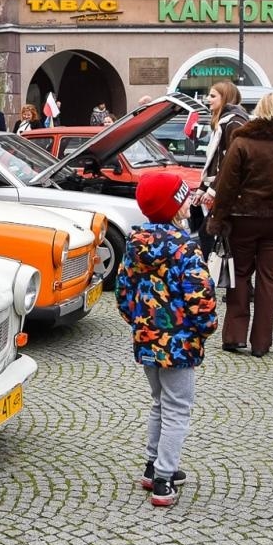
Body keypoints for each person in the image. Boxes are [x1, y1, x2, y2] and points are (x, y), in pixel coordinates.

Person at [116, 170, 218, 508]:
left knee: (160, 402)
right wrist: (205, 327)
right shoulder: (186, 248)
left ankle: (152, 465)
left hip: (147, 339)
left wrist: (139, 323)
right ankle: (164, 478)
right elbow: (200, 296)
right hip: (180, 343)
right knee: (178, 408)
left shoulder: (135, 243)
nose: (189, 201)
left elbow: (123, 291)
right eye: (184, 197)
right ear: (176, 207)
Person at [205, 92, 273, 358]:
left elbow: (227, 185)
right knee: (270, 279)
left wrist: (218, 219)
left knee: (240, 274)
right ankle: (262, 342)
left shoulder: (242, 142)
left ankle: (234, 336)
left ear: (259, 111)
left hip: (244, 217)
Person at [190, 80, 250, 234]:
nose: (207, 99)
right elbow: (216, 162)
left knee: (208, 235)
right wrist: (202, 189)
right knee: (208, 235)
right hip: (224, 191)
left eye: (212, 96)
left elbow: (231, 163)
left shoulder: (234, 122)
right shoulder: (226, 122)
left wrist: (212, 191)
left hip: (230, 193)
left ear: (225, 98)